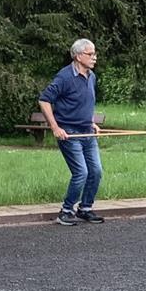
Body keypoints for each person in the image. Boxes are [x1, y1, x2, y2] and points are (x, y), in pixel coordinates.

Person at [39, 38, 103, 227]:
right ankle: (66, 211)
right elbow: (44, 100)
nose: (94, 58)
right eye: (90, 54)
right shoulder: (65, 77)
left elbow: (85, 102)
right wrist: (55, 127)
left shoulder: (91, 76)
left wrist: (91, 122)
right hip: (69, 133)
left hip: (86, 133)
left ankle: (85, 208)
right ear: (77, 56)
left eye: (94, 54)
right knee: (81, 172)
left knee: (96, 171)